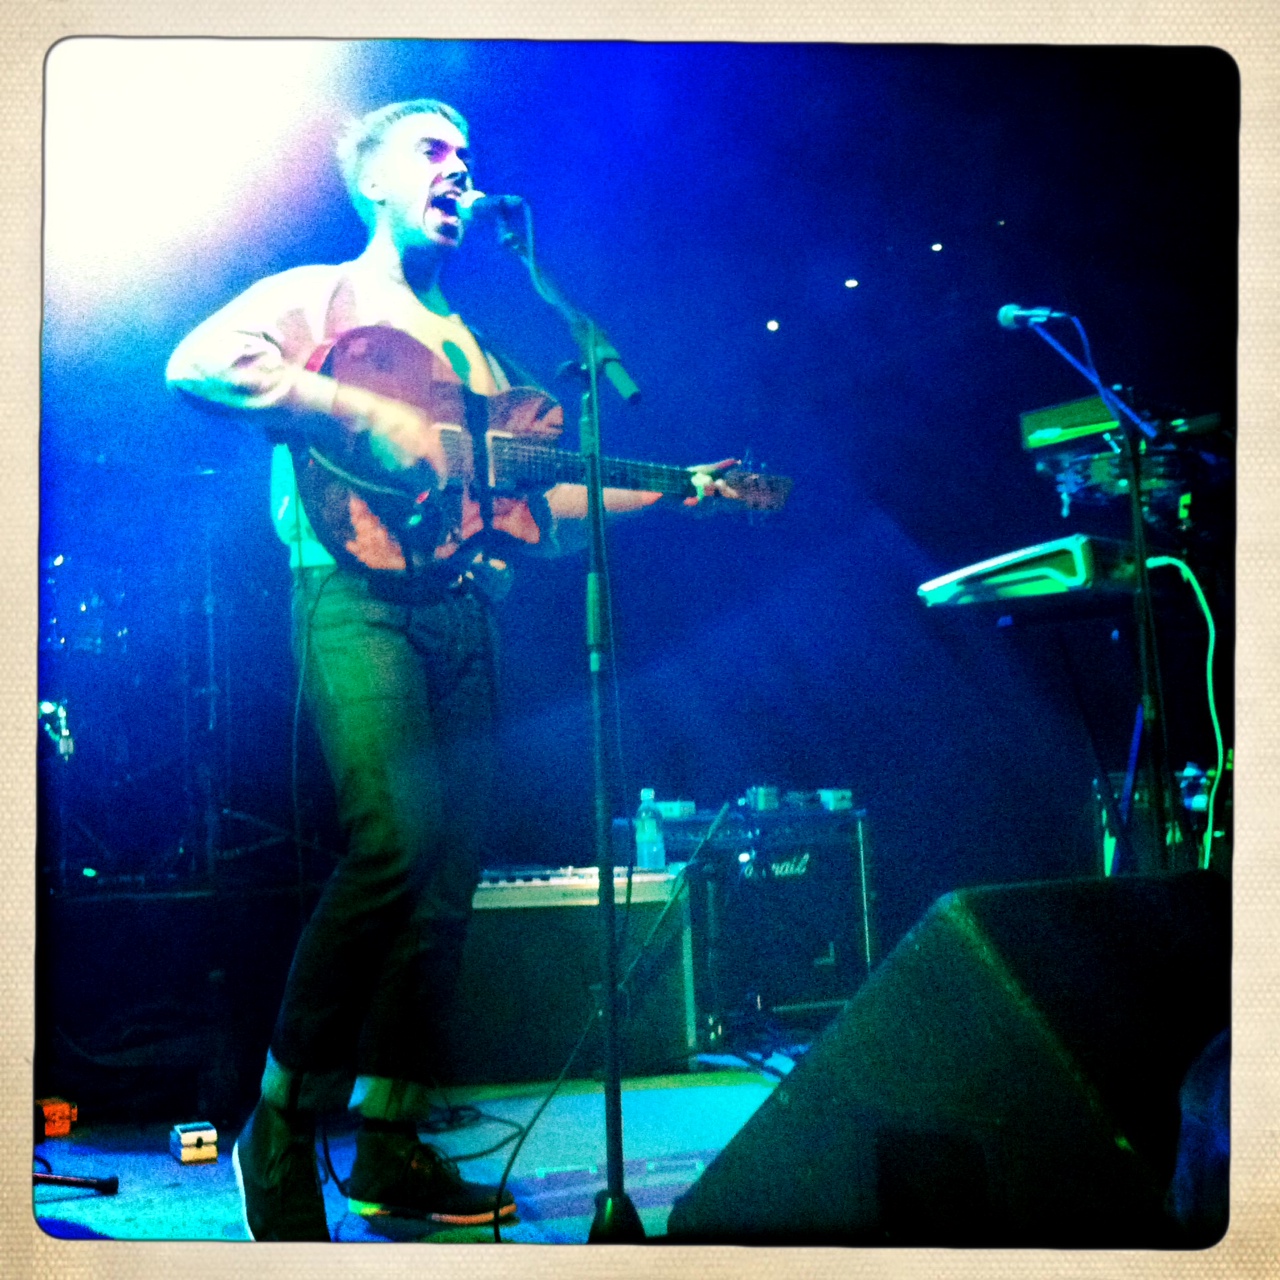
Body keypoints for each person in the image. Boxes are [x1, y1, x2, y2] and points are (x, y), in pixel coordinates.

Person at [167, 97, 741, 1242]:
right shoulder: (314, 293)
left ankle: (391, 1140)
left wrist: (681, 488)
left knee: (442, 886)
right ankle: (278, 1123)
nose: (458, 171)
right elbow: (194, 362)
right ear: (371, 181)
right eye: (433, 152)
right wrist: (354, 407)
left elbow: (545, 502)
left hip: (463, 613)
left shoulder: (481, 346)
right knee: (389, 843)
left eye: (467, 157)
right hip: (353, 601)